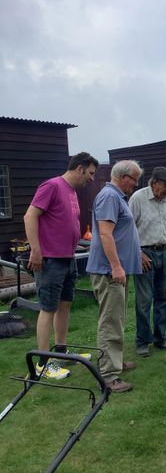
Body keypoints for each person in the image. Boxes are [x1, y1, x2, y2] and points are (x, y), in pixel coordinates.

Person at [24, 152, 99, 380]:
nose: (92, 179)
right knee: (48, 308)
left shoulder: (72, 192)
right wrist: (36, 250)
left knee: (65, 305)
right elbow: (30, 216)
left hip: (68, 258)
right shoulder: (52, 186)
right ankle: (43, 364)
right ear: (80, 168)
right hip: (50, 259)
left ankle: (62, 353)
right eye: (91, 173)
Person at [86, 160, 142, 393]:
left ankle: (114, 363)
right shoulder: (109, 196)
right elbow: (105, 234)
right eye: (134, 179)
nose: (136, 184)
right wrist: (116, 267)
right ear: (122, 176)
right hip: (109, 271)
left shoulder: (117, 197)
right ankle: (109, 376)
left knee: (116, 319)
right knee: (110, 321)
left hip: (115, 271)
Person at [129, 166, 166, 357]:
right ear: (154, 182)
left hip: (165, 253)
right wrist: (137, 254)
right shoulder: (138, 199)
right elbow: (128, 229)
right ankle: (142, 341)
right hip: (145, 254)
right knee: (144, 300)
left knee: (164, 297)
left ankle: (160, 338)